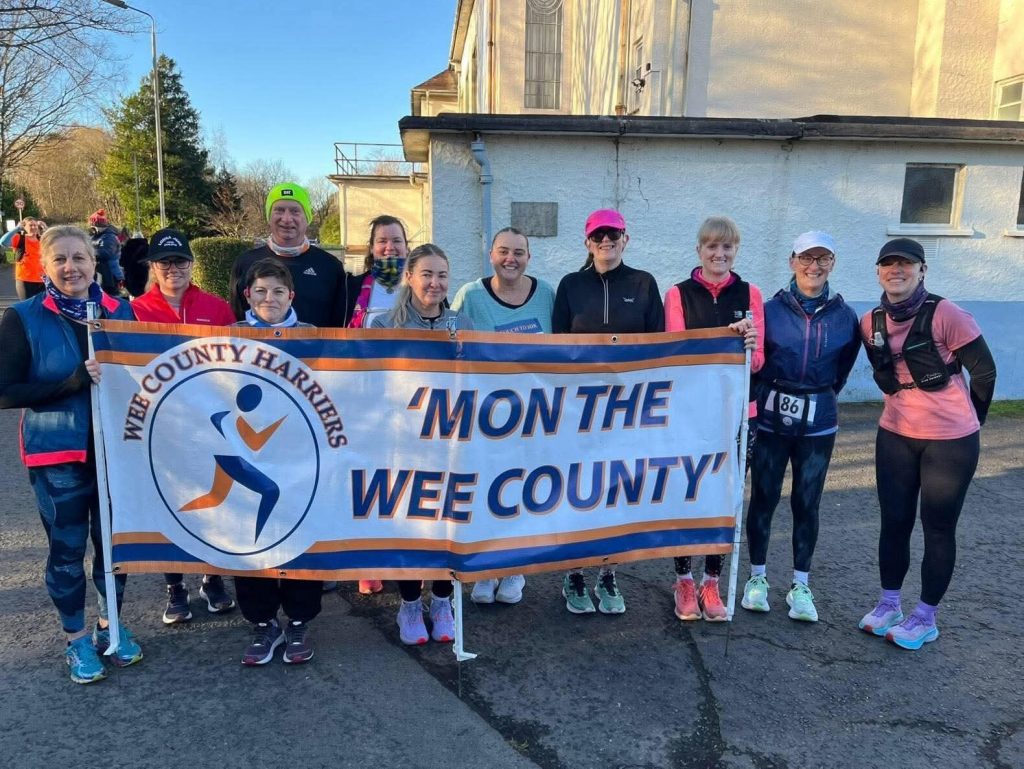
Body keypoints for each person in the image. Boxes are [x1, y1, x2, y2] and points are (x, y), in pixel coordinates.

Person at [0, 224, 141, 684]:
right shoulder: (23, 317)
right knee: (67, 551)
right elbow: (5, 390)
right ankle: (76, 637)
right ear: (44, 266)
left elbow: (147, 376)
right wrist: (70, 384)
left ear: (94, 262)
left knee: (114, 548)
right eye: (59, 259)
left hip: (115, 452)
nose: (70, 267)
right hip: (56, 453)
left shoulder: (120, 311)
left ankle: (110, 624)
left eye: (79, 258)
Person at [857, 238, 996, 650]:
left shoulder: (946, 314)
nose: (896, 271)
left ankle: (925, 617)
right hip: (895, 434)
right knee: (894, 523)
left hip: (949, 443)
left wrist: (972, 421)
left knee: (937, 528)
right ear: (878, 272)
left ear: (922, 270)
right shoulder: (870, 322)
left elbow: (984, 372)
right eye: (888, 264)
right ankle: (889, 604)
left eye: (906, 264)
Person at [741, 231, 859, 622]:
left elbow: (842, 370)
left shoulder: (845, 316)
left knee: (807, 502)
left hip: (818, 422)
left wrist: (818, 396)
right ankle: (757, 578)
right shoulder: (769, 310)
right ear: (792, 261)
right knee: (764, 496)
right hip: (772, 418)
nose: (814, 266)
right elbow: (756, 361)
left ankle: (800, 585)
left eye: (823, 258)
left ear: (832, 264)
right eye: (806, 258)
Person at [552, 209, 664, 615]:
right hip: (579, 410)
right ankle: (574, 573)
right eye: (598, 235)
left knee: (617, 493)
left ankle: (608, 572)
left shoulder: (644, 283)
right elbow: (556, 348)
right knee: (577, 492)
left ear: (625, 239)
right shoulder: (570, 285)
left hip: (627, 411)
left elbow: (660, 348)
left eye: (613, 234)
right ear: (587, 242)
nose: (606, 241)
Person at [130, 228, 238, 624]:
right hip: (162, 426)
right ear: (153, 267)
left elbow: (237, 362)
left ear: (191, 264)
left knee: (214, 500)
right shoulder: (135, 311)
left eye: (179, 261)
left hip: (211, 423)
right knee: (169, 503)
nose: (172, 268)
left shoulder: (217, 308)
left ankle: (212, 577)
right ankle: (175, 586)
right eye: (164, 262)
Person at [371, 244, 473, 644]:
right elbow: (370, 385)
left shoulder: (462, 323)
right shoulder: (383, 325)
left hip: (450, 443)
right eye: (427, 274)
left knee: (447, 524)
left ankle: (442, 600)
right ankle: (411, 603)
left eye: (442, 275)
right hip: (402, 444)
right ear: (409, 277)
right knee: (410, 526)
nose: (435, 283)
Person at [663, 216, 763, 622]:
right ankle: (684, 580)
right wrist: (723, 337)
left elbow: (757, 361)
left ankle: (712, 581)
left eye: (727, 247)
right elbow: (677, 353)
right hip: (691, 415)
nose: (719, 254)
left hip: (739, 414)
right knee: (687, 494)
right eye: (712, 247)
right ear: (699, 250)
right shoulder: (678, 294)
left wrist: (747, 344)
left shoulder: (751, 293)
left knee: (726, 497)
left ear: (735, 251)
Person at [452, 226, 555, 605]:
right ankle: (486, 569)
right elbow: (451, 349)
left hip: (534, 417)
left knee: (522, 493)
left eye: (519, 252)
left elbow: (564, 351)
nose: (511, 259)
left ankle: (514, 568)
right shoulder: (470, 295)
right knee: (486, 493)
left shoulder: (546, 294)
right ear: (491, 254)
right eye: (503, 251)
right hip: (485, 417)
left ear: (529, 257)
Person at [231, 257, 321, 665]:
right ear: (248, 295)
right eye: (261, 291)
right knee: (251, 536)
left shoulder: (313, 335)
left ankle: (300, 620)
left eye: (278, 291)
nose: (270, 298)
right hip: (248, 454)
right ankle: (262, 622)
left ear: (291, 296)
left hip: (301, 456)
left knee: (302, 533)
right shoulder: (228, 336)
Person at [343, 213, 412, 595]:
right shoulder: (353, 286)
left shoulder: (419, 284)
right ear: (371, 248)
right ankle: (370, 560)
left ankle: (407, 555)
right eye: (383, 241)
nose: (390, 247)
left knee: (405, 478)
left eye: (396, 240)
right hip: (363, 397)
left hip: (409, 397)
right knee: (367, 480)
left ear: (407, 246)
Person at [230, 182, 354, 327]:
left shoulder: (330, 266)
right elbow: (236, 317)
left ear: (307, 218)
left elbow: (339, 324)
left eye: (295, 211)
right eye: (279, 210)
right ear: (269, 216)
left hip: (315, 343)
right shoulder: (245, 262)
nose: (287, 219)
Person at [2, 218, 46, 299]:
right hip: (25, 280)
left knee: (43, 305)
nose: (33, 227)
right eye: (30, 225)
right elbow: (3, 242)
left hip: (43, 280)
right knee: (27, 305)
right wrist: (17, 228)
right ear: (24, 227)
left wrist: (46, 228)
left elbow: (57, 242)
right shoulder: (20, 238)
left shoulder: (42, 239)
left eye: (35, 225)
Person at [88, 209, 124, 295]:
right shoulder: (96, 236)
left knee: (110, 295)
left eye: (93, 227)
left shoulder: (109, 237)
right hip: (99, 270)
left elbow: (106, 253)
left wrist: (88, 252)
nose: (91, 230)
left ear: (98, 226)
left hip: (110, 274)